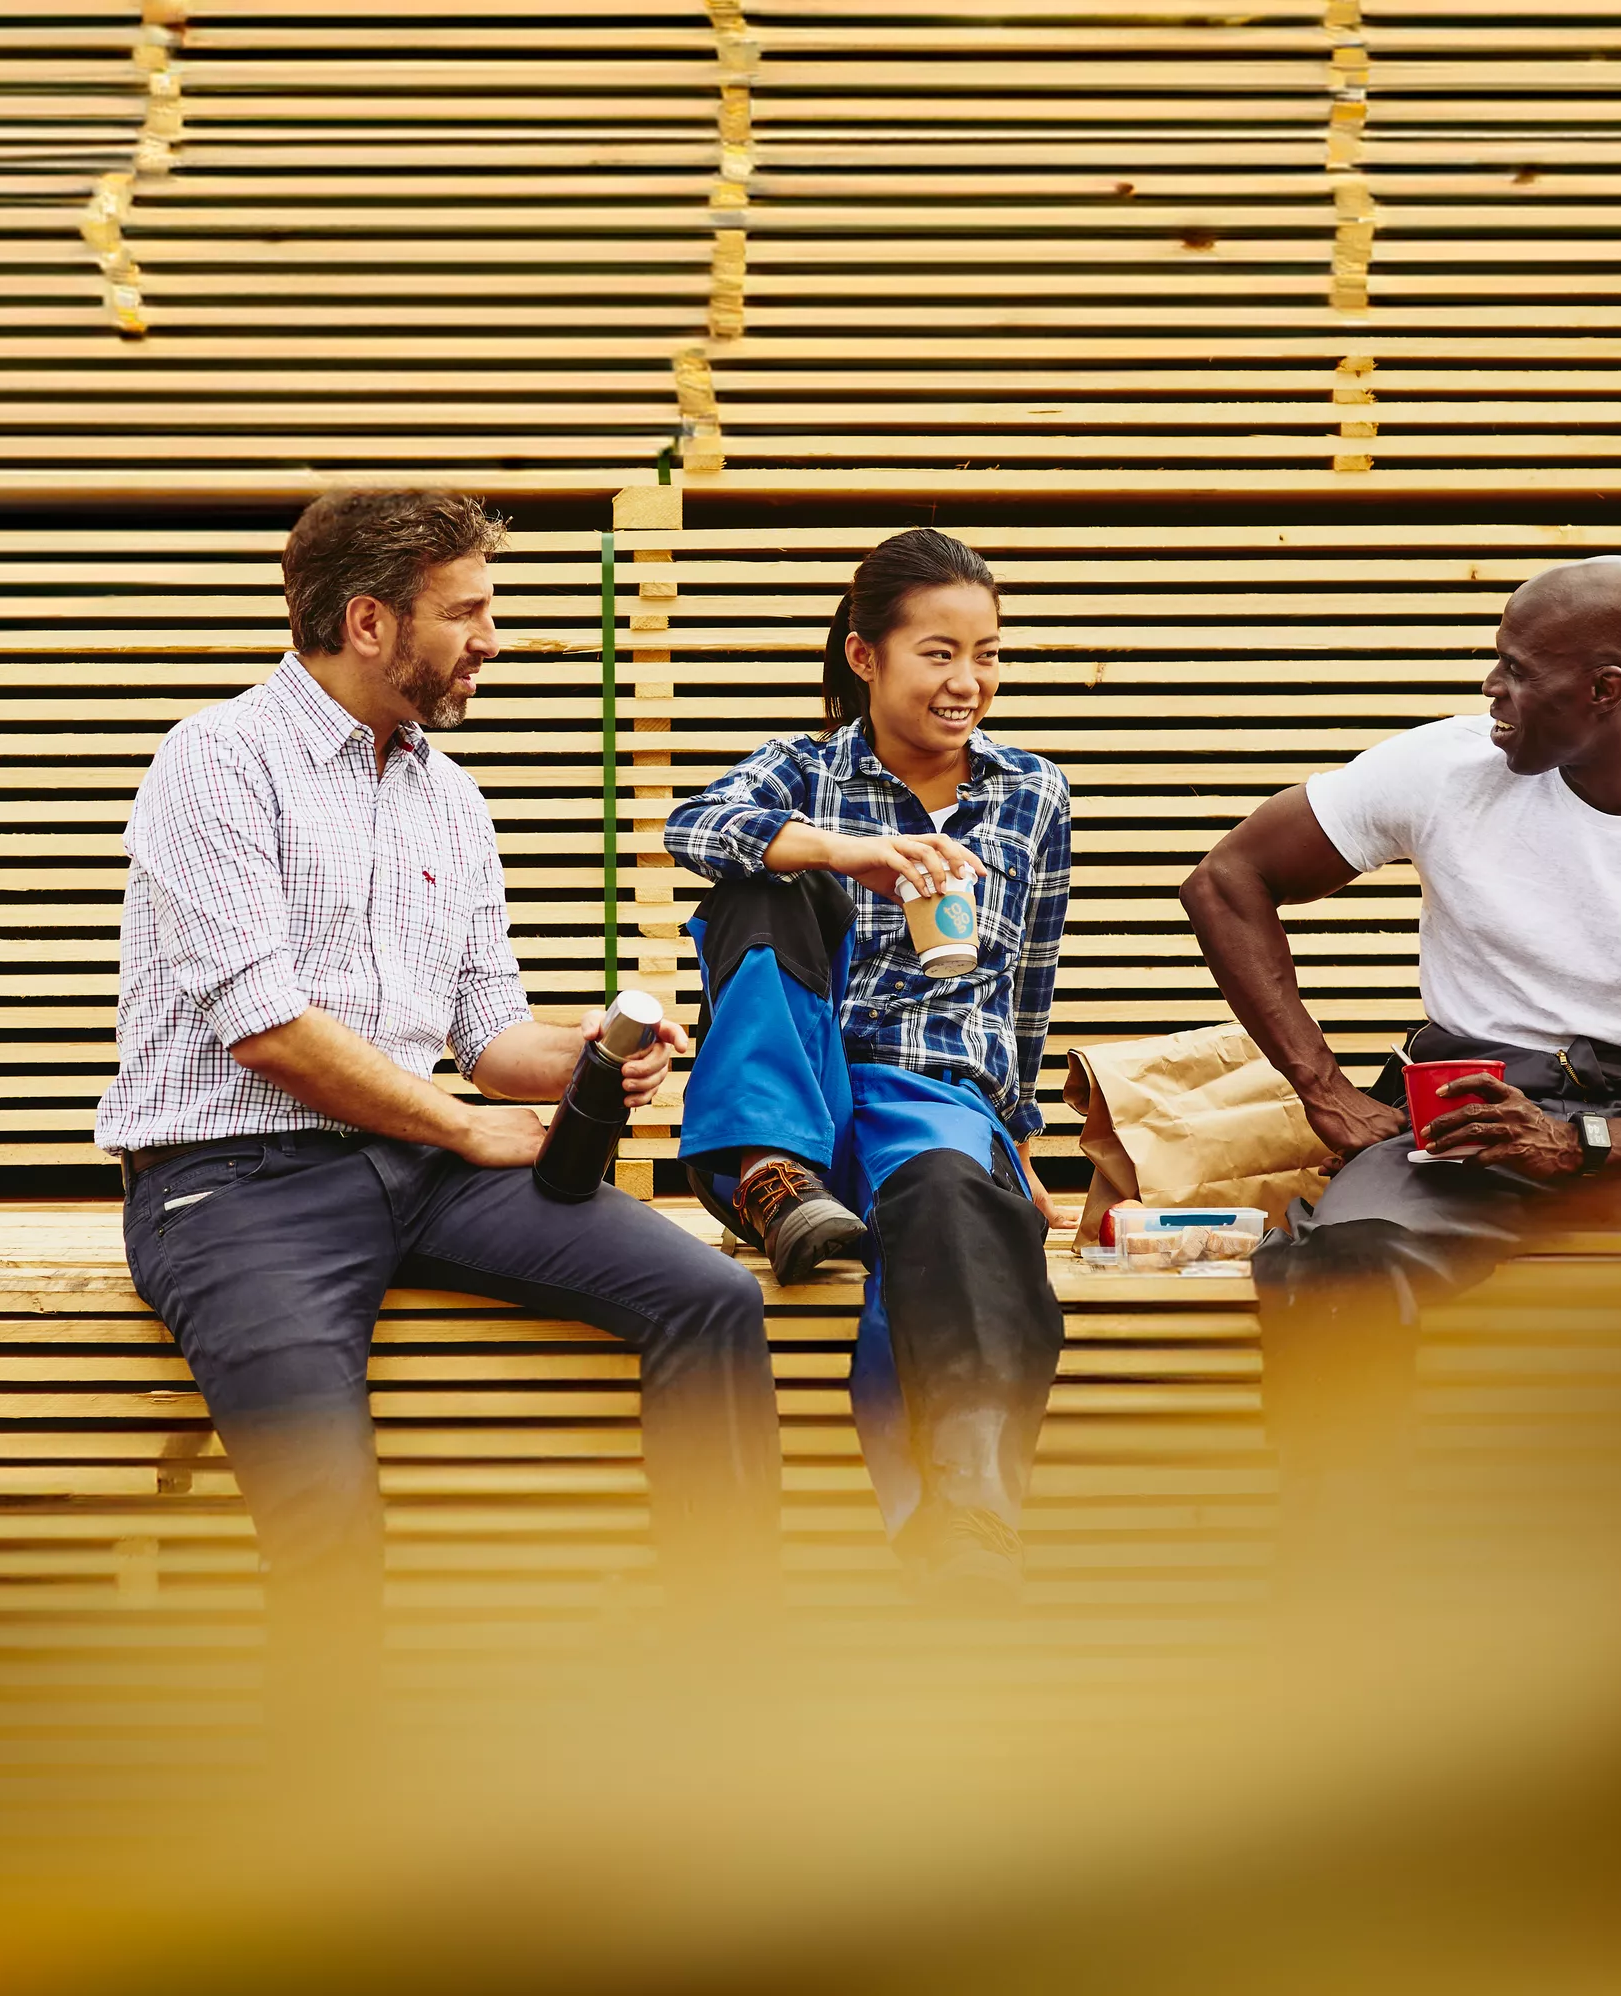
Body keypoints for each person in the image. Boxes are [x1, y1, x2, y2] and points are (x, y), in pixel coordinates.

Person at [96, 488, 787, 1722]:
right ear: (369, 621)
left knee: (711, 1297)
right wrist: (466, 1124)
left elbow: (484, 1032)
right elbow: (264, 1028)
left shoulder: (448, 797)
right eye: (466, 611)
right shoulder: (215, 762)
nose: (492, 638)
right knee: (325, 1513)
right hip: (234, 1186)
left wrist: (584, 1047)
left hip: (417, 1166)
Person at [1179, 555, 1621, 1528]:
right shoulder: (1446, 768)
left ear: (1607, 690)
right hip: (1471, 1110)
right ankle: (1339, 1590)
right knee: (1340, 1266)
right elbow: (1226, 880)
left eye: (1518, 670)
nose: (1492, 690)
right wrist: (1327, 1089)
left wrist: (1582, 1144)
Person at [665, 528, 1073, 1605]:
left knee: (951, 1192)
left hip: (930, 1096)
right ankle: (768, 1172)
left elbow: (1026, 978)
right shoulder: (803, 769)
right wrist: (846, 852)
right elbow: (692, 827)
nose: (968, 681)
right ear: (864, 657)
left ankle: (968, 1515)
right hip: (796, 1079)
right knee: (761, 884)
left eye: (988, 654)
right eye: (938, 652)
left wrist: (1017, 1142)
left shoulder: (1030, 794)